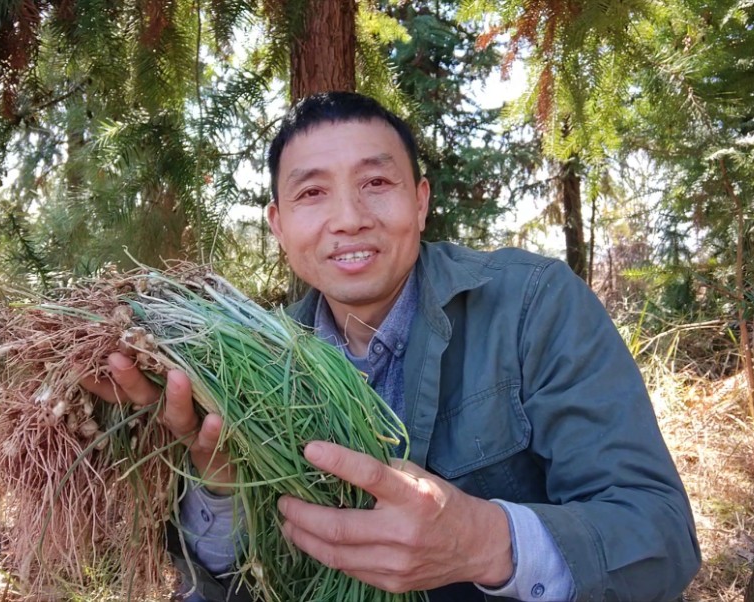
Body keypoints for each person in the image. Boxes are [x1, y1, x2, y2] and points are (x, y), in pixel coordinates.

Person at [83, 92, 701, 601]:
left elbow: (661, 538)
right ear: (278, 225)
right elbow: (232, 584)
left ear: (421, 201)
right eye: (312, 193)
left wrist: (487, 542)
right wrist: (220, 492)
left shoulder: (533, 306)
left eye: (376, 181)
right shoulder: (251, 360)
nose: (349, 217)